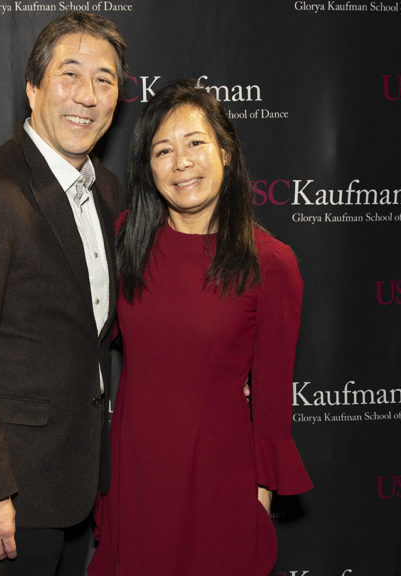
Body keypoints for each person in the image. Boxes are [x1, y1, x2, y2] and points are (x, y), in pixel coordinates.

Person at [0, 12, 128, 576]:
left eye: (105, 80)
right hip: (11, 492)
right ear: (33, 88)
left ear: (117, 101)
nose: (87, 96)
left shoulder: (106, 188)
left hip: (79, 478)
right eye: (70, 75)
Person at [89, 80, 313, 576]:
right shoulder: (125, 240)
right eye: (162, 151)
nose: (181, 162)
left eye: (195, 143)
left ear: (226, 151)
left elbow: (273, 406)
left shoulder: (271, 263)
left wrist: (258, 505)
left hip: (219, 481)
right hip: (136, 474)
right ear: (148, 169)